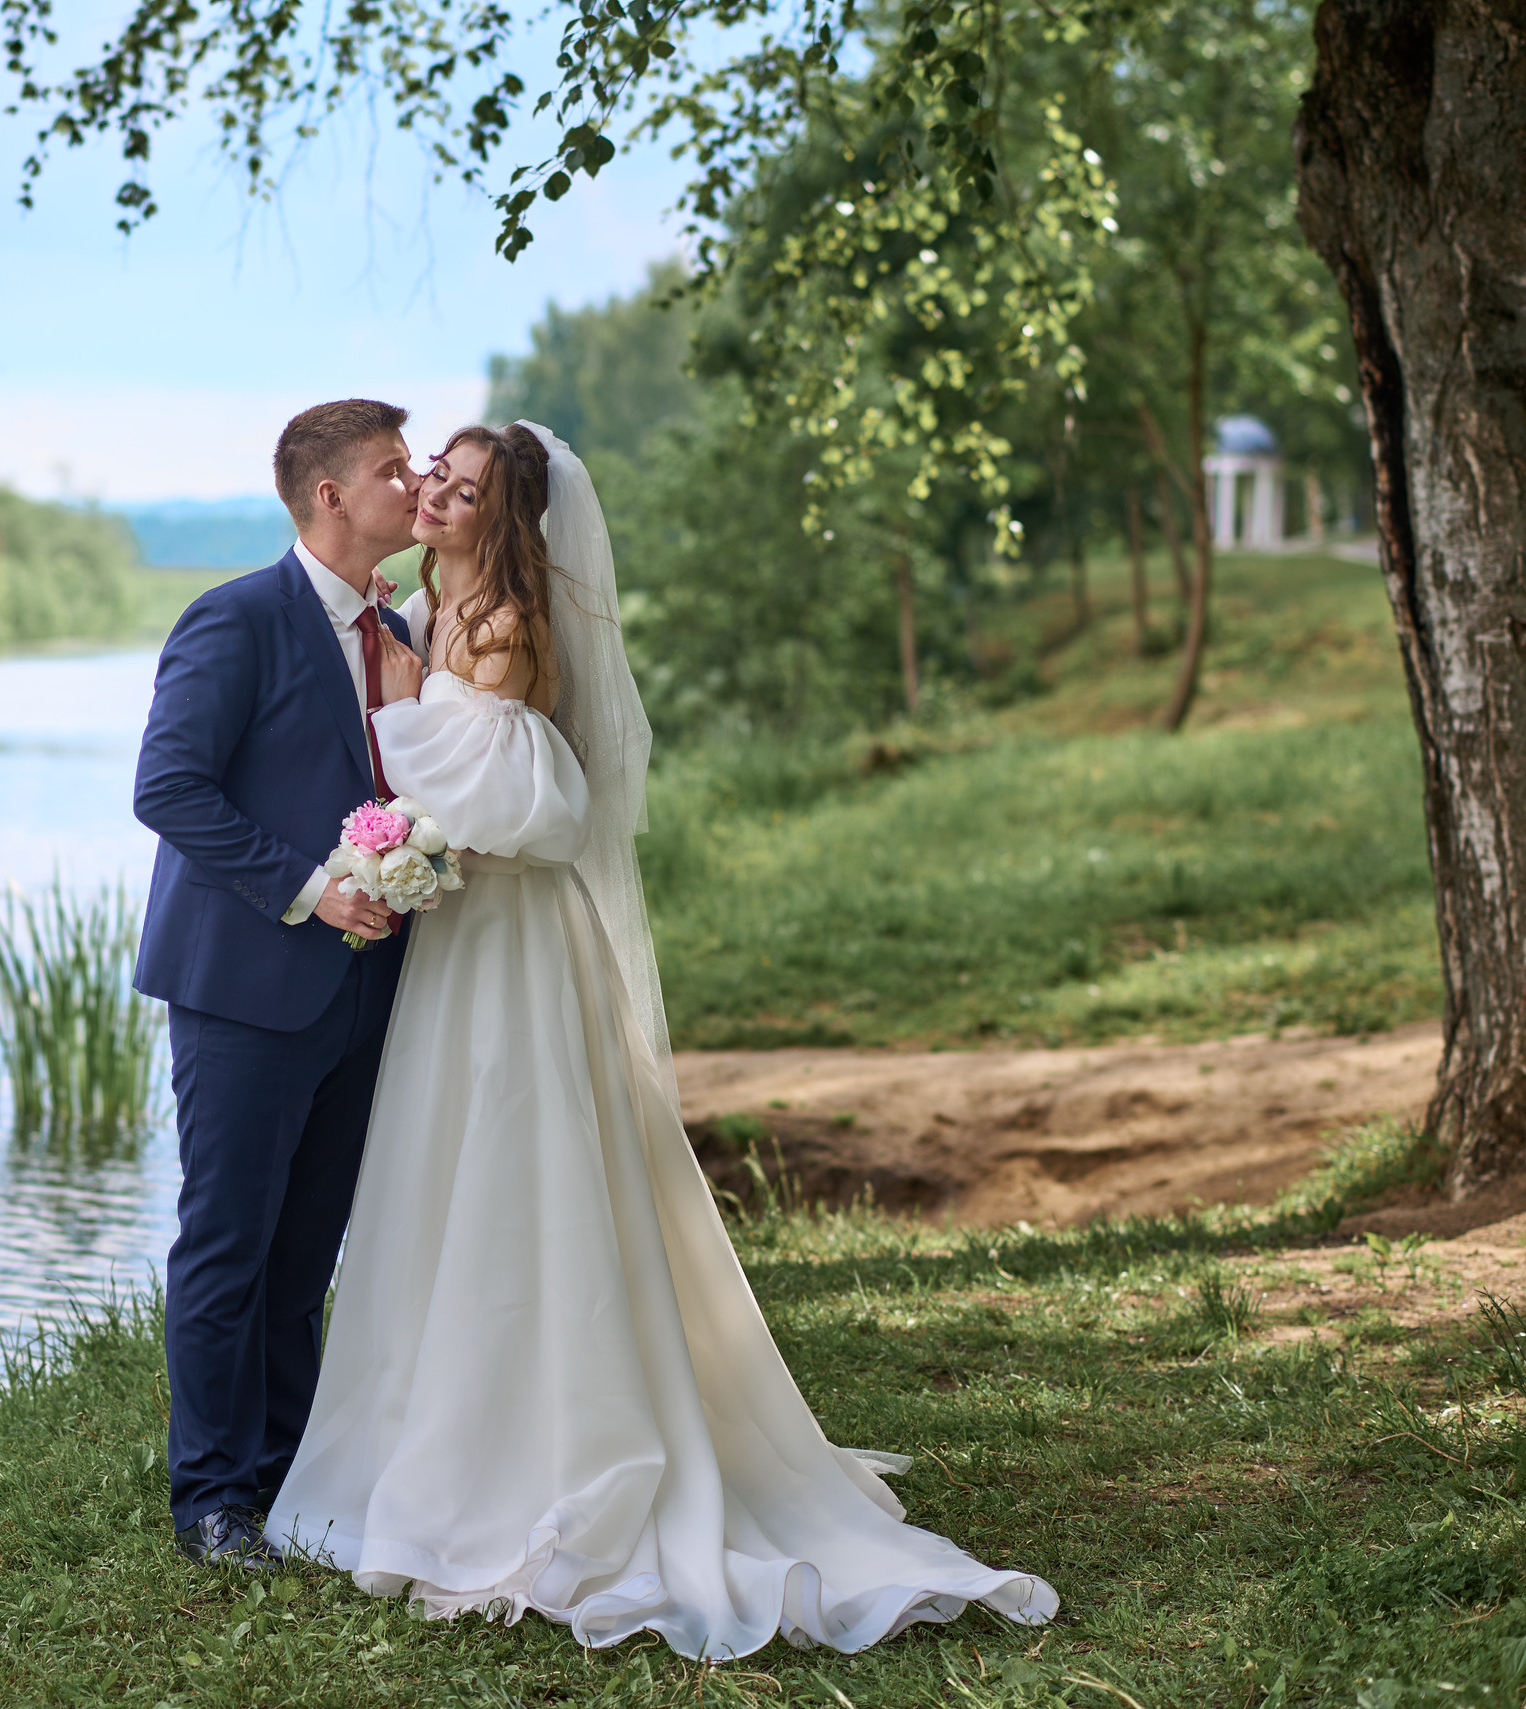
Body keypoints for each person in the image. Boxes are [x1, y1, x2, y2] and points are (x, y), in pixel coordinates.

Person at [264, 422, 1058, 1657]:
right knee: (440, 1165)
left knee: (522, 1159)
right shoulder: (426, 605)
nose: (436, 495)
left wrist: (408, 762)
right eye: (436, 478)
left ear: (503, 516)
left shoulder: (507, 629)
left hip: (518, 941)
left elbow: (523, 804)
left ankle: (554, 1451)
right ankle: (425, 1434)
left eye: (464, 488)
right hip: (457, 945)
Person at [131, 398, 422, 1567]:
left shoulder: (395, 629)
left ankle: (286, 1476)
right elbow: (168, 787)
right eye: (394, 468)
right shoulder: (235, 616)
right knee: (229, 1242)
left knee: (306, 1251)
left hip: (366, 987)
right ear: (330, 495)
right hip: (245, 983)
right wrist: (308, 888)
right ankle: (209, 1498)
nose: (416, 482)